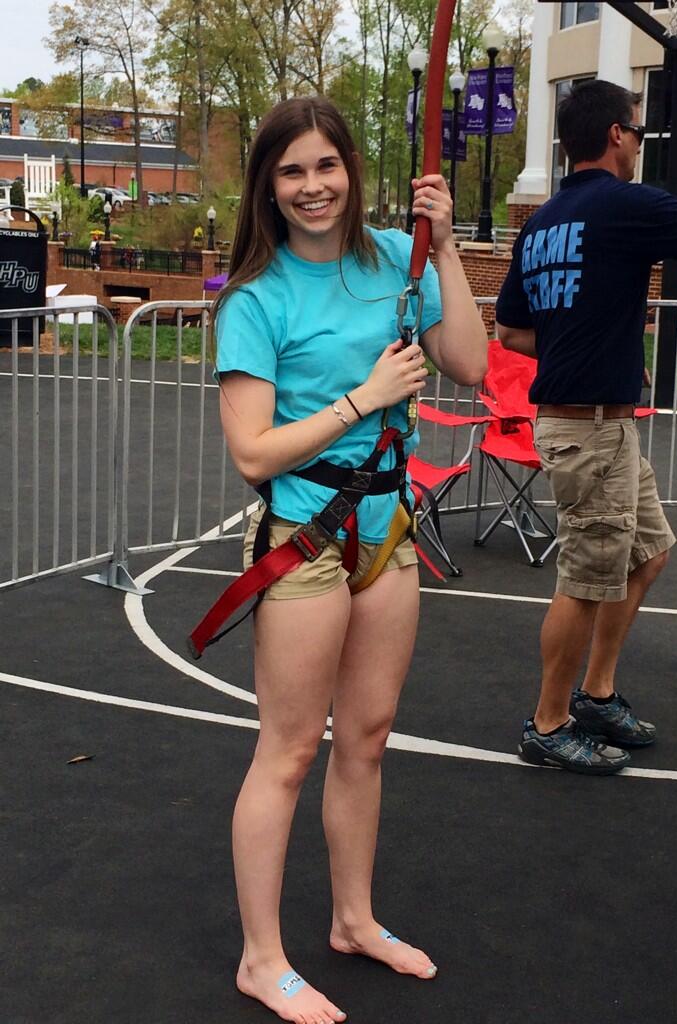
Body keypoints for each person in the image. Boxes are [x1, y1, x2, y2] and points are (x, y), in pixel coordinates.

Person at [213, 96, 487, 1022]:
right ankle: (261, 957)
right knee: (289, 752)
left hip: (390, 536)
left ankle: (354, 920)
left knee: (366, 739)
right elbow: (253, 451)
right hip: (307, 543)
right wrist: (366, 398)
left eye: (325, 165)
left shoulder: (394, 262)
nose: (312, 186)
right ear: (269, 186)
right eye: (291, 171)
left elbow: (469, 362)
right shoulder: (256, 297)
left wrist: (444, 244)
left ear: (350, 168)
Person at [495, 79, 677, 775]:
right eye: (640, 130)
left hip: (596, 425)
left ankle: (596, 692)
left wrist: (583, 346)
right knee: (584, 579)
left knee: (647, 555)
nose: (641, 141)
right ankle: (548, 723)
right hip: (586, 430)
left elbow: (513, 330)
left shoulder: (543, 221)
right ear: (616, 134)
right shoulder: (626, 204)